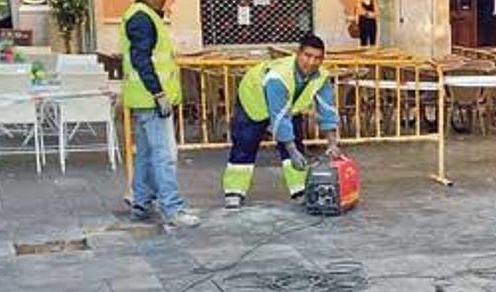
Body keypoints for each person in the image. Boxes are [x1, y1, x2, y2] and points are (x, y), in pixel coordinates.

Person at [221, 34, 341, 209]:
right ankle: (234, 191)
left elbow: (327, 110)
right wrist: (290, 150)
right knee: (245, 143)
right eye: (308, 56)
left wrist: (332, 143)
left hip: (289, 106)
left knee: (296, 144)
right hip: (253, 101)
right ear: (298, 54)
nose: (312, 62)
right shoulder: (278, 76)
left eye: (318, 58)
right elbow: (279, 118)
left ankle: (300, 189)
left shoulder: (321, 77)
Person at [120, 0, 199, 227]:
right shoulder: (142, 18)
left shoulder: (143, 15)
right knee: (165, 156)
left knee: (146, 154)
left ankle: (141, 203)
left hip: (145, 99)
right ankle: (172, 208)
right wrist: (158, 93)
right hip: (152, 100)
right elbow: (141, 59)